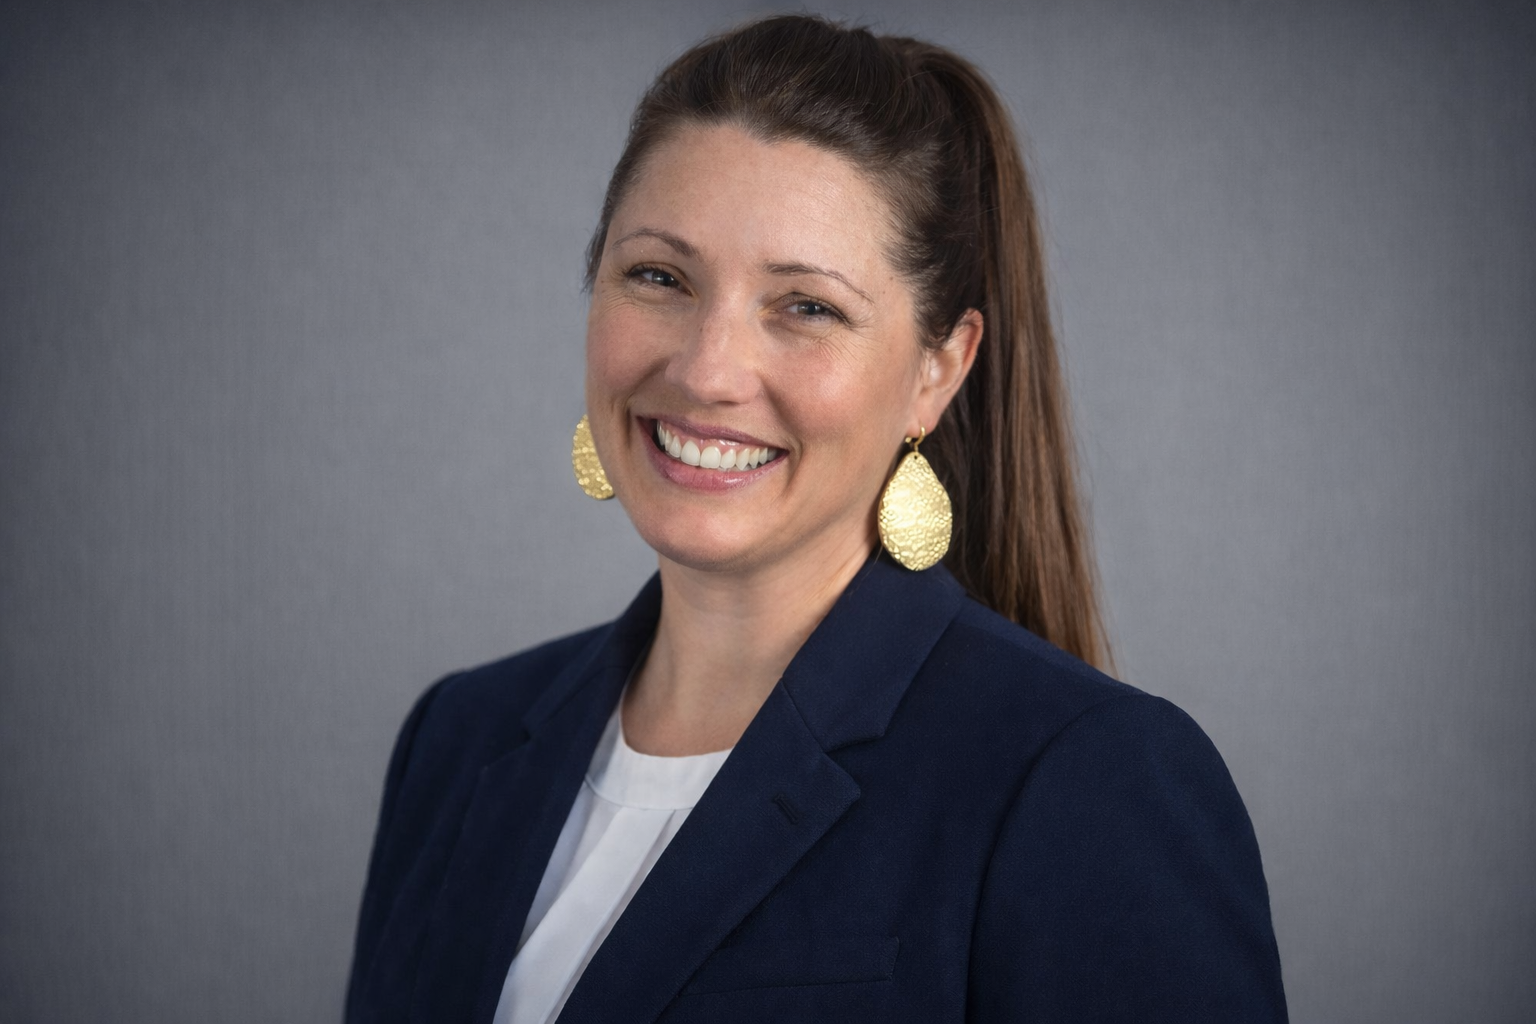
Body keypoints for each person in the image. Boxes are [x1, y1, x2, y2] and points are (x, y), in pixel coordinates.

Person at [344, 14, 1287, 1023]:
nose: (706, 371)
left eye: (806, 307)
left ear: (938, 370)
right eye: (659, 277)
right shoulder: (459, 737)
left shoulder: (1084, 783)